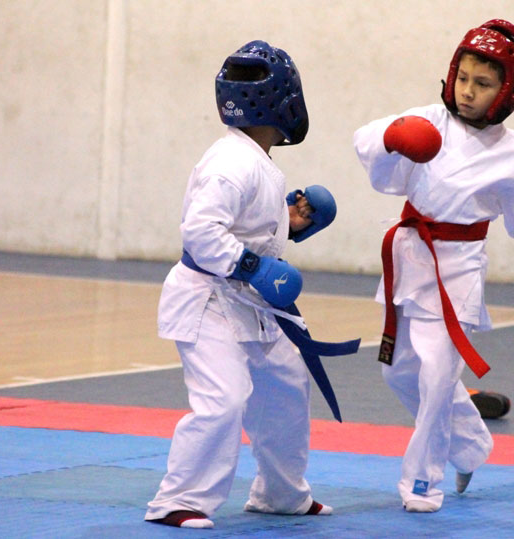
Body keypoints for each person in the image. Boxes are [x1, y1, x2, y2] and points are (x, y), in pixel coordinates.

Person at [353, 19, 514, 513]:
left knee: (438, 375)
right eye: (463, 78)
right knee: (399, 374)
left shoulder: (510, 151)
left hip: (457, 268)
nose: (467, 92)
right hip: (409, 255)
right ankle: (471, 445)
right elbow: (365, 143)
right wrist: (393, 136)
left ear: (509, 91)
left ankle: (423, 483)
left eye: (482, 85)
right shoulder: (427, 119)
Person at [145, 40, 344, 529]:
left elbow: (241, 228)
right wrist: (255, 267)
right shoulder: (232, 163)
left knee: (286, 385)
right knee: (225, 397)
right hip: (207, 299)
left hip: (245, 301)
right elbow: (200, 232)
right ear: (284, 100)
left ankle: (281, 494)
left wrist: (288, 224)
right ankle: (177, 499)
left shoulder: (254, 158)